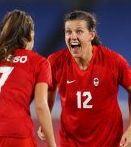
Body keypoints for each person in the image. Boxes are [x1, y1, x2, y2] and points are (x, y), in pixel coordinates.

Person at [38, 10, 131, 147]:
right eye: (68, 32)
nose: (73, 36)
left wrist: (130, 130)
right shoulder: (55, 61)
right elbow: (51, 90)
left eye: (79, 31)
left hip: (108, 141)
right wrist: (45, 119)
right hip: (70, 141)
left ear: (91, 35)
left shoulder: (114, 61)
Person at [0, 9, 56, 147]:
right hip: (15, 131)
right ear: (30, 35)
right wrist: (52, 144)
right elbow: (40, 106)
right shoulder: (38, 62)